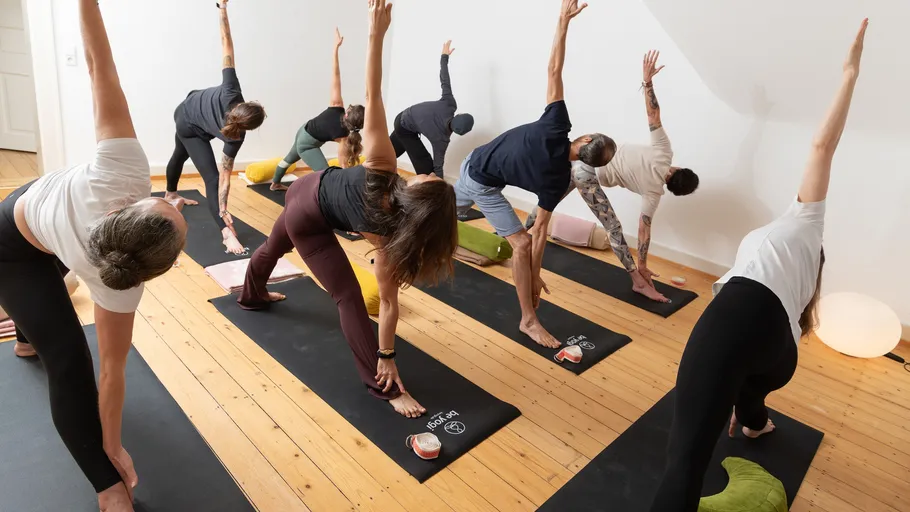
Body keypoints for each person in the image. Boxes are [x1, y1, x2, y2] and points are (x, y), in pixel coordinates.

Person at [649, 19, 868, 512]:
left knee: (684, 460)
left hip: (742, 317)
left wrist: (850, 73)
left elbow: (821, 147)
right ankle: (753, 420)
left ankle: (743, 408)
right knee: (744, 384)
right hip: (777, 349)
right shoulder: (798, 253)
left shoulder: (810, 221)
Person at [0, 1, 189, 510]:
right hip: (10, 241)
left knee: (61, 319)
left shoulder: (122, 168)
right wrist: (109, 455)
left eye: (169, 204)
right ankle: (106, 492)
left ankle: (23, 332)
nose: (172, 199)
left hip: (50, 234)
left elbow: (98, 62)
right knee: (68, 360)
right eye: (174, 203)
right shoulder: (116, 284)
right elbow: (110, 372)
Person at [238, 0, 457, 419]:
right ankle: (384, 391)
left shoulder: (382, 165)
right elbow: (389, 306)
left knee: (273, 245)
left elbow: (372, 95)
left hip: (305, 189)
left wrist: (376, 35)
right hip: (310, 214)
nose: (431, 174)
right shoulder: (393, 241)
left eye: (433, 181)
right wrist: (386, 355)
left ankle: (251, 296)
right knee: (347, 297)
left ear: (420, 192)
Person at [453, 0, 614, 349]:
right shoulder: (558, 180)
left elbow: (553, 69)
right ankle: (528, 320)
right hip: (479, 178)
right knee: (451, 216)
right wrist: (535, 274)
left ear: (585, 138)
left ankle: (528, 320)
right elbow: (539, 231)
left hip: (477, 168)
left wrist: (563, 20)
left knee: (458, 217)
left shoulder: (556, 125)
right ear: (588, 161)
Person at [525, 50, 699, 303]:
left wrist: (647, 82)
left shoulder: (664, 152)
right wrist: (642, 264)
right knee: (613, 228)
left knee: (548, 201)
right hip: (587, 173)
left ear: (679, 169)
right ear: (673, 188)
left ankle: (518, 232)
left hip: (581, 161)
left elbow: (653, 115)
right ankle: (638, 282)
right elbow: (643, 231)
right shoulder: (653, 194)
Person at [164, 0, 265, 254]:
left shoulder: (232, 90)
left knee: (180, 154)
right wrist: (223, 212)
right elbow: (223, 178)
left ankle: (170, 195)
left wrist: (222, 8)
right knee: (208, 176)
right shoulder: (236, 139)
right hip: (187, 122)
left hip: (187, 107)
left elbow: (226, 43)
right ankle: (225, 234)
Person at [270, 28, 365, 191]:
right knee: (325, 174)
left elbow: (335, 76)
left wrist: (335, 48)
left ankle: (275, 183)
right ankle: (318, 197)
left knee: (288, 159)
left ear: (347, 113)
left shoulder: (337, 106)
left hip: (304, 129)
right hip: (307, 144)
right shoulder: (342, 137)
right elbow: (343, 164)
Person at [389, 40, 474, 179]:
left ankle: (371, 168)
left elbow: (445, 80)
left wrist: (444, 57)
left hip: (402, 118)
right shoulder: (442, 140)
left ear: (459, 115)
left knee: (389, 152)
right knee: (428, 170)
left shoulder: (449, 103)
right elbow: (438, 165)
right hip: (405, 128)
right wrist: (439, 182)